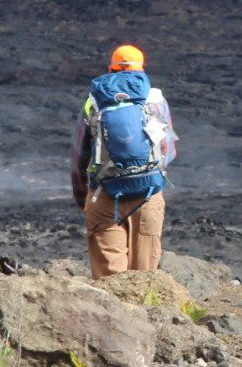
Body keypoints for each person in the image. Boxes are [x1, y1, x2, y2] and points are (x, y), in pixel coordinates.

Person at [71, 44, 177, 278]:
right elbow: (167, 150)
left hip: (104, 194)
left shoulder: (94, 101)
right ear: (141, 69)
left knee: (109, 279)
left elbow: (80, 156)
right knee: (145, 277)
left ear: (111, 68)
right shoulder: (156, 100)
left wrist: (83, 199)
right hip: (148, 194)